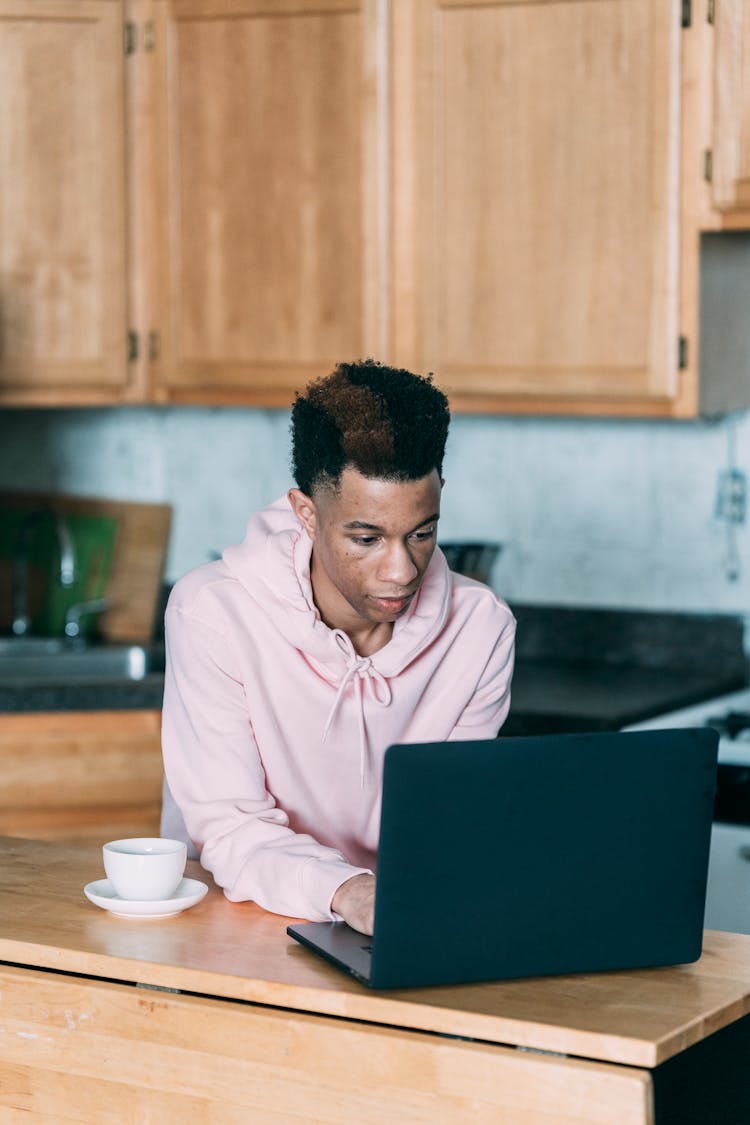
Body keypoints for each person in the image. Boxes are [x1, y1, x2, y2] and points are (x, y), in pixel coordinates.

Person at [160, 359, 516, 935]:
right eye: (366, 538)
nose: (400, 570)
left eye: (422, 532)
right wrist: (351, 892)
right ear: (306, 513)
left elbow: (448, 826)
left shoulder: (481, 629)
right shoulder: (212, 613)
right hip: (232, 919)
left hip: (396, 927)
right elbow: (230, 827)